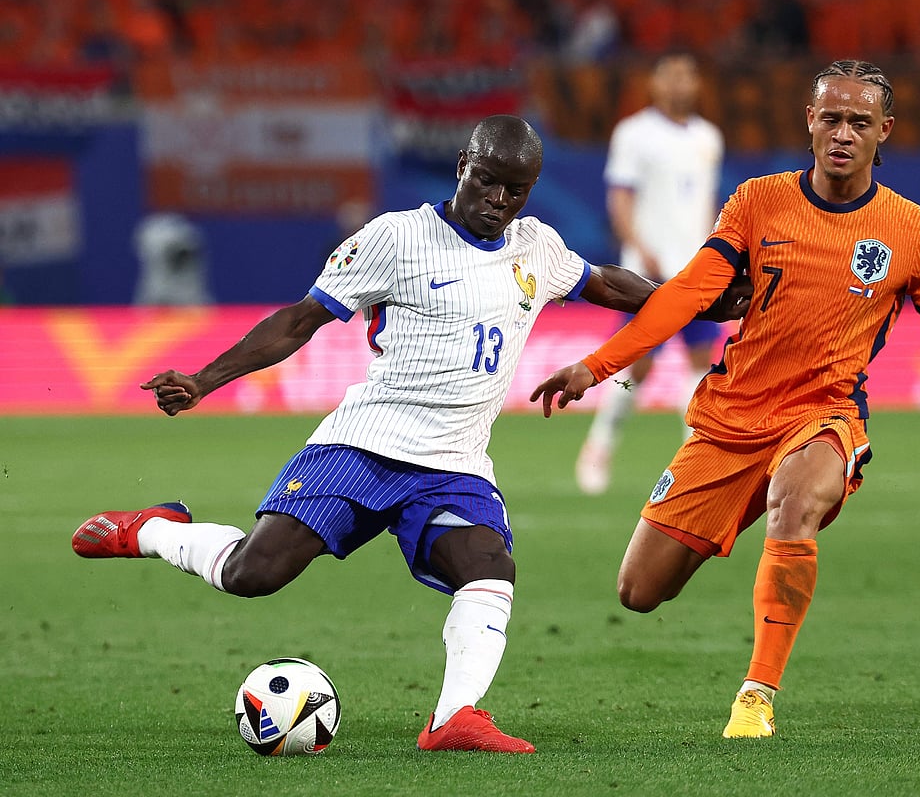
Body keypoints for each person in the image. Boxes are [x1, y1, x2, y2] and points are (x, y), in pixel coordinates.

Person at [71, 115, 749, 754]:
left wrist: (698, 300)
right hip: (364, 445)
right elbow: (301, 320)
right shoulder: (395, 237)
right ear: (462, 167)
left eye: (515, 189)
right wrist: (204, 379)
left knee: (489, 569)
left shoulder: (535, 245)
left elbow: (606, 282)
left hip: (454, 461)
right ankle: (156, 529)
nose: (498, 199)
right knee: (256, 573)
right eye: (486, 180)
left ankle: (454, 718)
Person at [531, 61, 920, 739]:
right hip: (730, 418)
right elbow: (691, 293)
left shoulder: (911, 233)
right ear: (810, 120)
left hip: (824, 415)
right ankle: (742, 501)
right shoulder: (758, 202)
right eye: (832, 118)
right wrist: (597, 366)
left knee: (796, 501)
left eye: (859, 123)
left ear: (884, 132)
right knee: (638, 592)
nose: (843, 133)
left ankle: (756, 696)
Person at [575, 49, 726, 495]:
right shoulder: (635, 134)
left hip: (696, 271)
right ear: (655, 83)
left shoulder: (707, 138)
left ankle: (693, 461)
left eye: (688, 74)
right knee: (635, 366)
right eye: (672, 75)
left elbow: (707, 201)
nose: (680, 84)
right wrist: (641, 249)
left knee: (701, 365)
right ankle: (598, 447)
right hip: (646, 274)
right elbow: (620, 199)